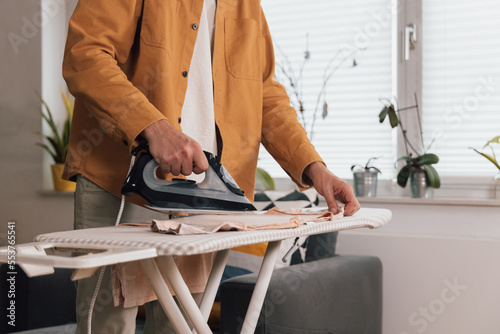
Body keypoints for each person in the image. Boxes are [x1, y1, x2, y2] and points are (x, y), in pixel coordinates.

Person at [62, 0, 360, 332]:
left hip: (201, 201)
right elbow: (85, 55)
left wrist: (314, 168)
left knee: (182, 325)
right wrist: (153, 127)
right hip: (121, 180)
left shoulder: (247, 6)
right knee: (107, 324)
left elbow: (265, 93)